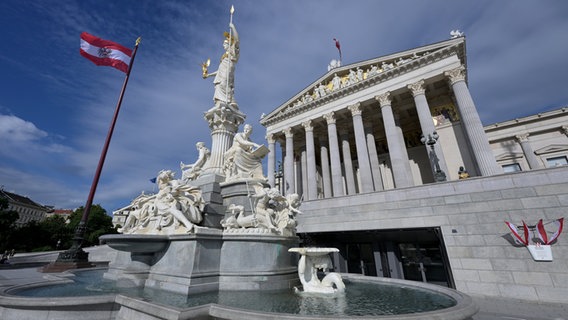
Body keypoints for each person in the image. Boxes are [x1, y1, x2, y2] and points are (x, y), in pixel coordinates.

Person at [203, 22, 239, 111]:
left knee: (224, 85)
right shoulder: (223, 56)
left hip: (228, 72)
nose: (223, 45)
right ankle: (220, 104)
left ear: (229, 44)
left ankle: (230, 102)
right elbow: (219, 71)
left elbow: (237, 40)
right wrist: (208, 75)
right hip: (221, 74)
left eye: (225, 43)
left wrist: (233, 27)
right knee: (219, 86)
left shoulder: (233, 52)